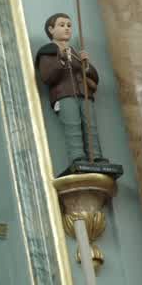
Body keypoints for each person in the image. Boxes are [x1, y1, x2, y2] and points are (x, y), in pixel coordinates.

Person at [35, 12, 105, 173]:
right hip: (64, 94)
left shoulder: (74, 52)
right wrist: (61, 60)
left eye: (69, 25)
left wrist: (85, 65)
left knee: (90, 125)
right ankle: (77, 157)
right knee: (72, 125)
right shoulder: (48, 51)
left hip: (83, 94)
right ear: (51, 29)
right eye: (62, 25)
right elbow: (47, 76)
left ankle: (96, 157)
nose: (66, 28)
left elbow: (93, 76)